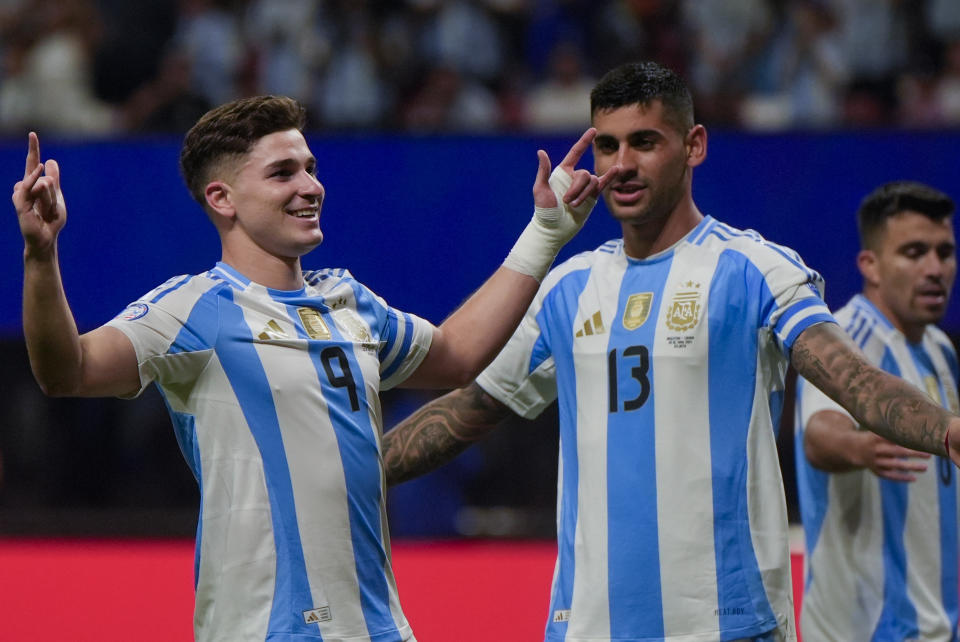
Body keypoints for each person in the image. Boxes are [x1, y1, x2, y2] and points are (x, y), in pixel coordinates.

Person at [381, 61, 960, 641]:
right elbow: (465, 412)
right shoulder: (567, 287)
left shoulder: (756, 269)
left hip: (729, 625)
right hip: (591, 627)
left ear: (694, 146)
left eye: (645, 142)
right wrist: (347, 467)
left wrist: (945, 430)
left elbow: (853, 378)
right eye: (606, 146)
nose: (622, 165)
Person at [11, 95, 617, 641]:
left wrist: (545, 232)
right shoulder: (191, 308)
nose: (310, 186)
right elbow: (70, 370)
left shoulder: (348, 301)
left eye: (310, 168)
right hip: (264, 630)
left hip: (379, 628)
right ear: (221, 198)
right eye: (282, 173)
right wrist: (42, 255)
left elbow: (457, 354)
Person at [794, 181, 959, 641]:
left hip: (935, 627)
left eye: (944, 253)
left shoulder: (941, 350)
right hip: (865, 631)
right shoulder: (844, 337)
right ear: (871, 264)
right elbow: (819, 435)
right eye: (913, 252)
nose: (934, 269)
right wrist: (859, 445)